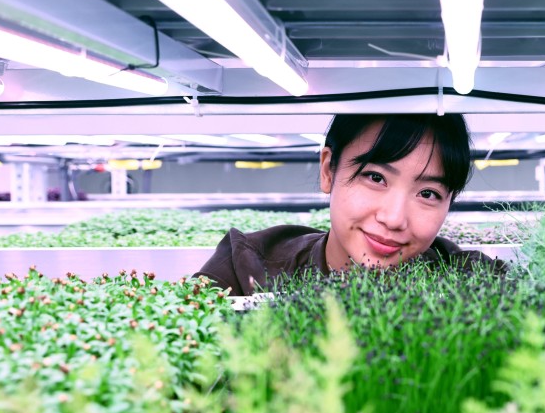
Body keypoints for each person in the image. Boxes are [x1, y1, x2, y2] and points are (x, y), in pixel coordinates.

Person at [195, 113, 506, 296]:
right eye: (375, 177)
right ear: (328, 169)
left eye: (427, 194)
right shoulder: (246, 268)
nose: (394, 218)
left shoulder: (480, 281)